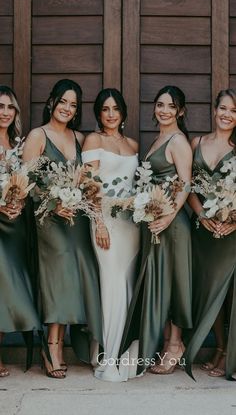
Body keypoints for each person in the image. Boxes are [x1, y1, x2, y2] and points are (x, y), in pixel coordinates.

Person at [23, 79, 103, 379]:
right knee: (58, 277)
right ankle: (53, 346)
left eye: (73, 104)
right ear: (51, 102)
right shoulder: (37, 135)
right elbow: (26, 181)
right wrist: (53, 203)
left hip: (76, 219)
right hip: (50, 219)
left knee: (76, 276)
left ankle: (64, 340)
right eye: (63, 102)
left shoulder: (81, 138)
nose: (67, 108)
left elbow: (89, 180)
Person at [119, 85, 193, 376]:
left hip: (172, 226)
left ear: (180, 111)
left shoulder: (178, 141)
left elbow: (185, 183)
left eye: (171, 106)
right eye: (160, 104)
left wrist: (169, 216)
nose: (163, 110)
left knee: (172, 282)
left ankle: (175, 345)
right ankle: (164, 343)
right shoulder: (158, 139)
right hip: (156, 224)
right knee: (159, 283)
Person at [82, 88, 140, 382]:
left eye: (116, 108)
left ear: (123, 112)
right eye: (105, 109)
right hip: (104, 222)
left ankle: (126, 357)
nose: (111, 114)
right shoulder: (94, 140)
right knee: (111, 284)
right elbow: (90, 185)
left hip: (131, 224)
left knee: (128, 286)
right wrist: (98, 223)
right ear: (98, 113)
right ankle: (107, 356)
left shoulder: (133, 144)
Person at [183, 88, 236, 380]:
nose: (227, 115)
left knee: (228, 295)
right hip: (203, 230)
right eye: (224, 109)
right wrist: (201, 215)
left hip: (231, 232)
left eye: (234, 111)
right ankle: (220, 348)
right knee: (208, 293)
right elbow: (188, 186)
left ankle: (230, 354)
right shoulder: (197, 142)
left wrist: (234, 222)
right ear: (214, 110)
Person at [0, 85, 41, 377]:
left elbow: (28, 181)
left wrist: (20, 200)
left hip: (16, 227)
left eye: (9, 107)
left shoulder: (19, 144)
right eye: (0, 107)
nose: (4, 113)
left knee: (9, 291)